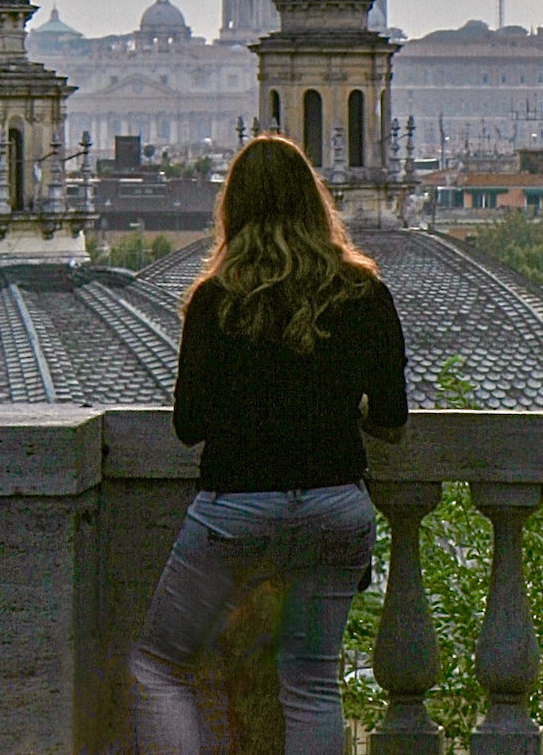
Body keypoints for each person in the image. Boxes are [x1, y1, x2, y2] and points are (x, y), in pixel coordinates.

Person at [129, 134, 409, 755]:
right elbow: (392, 417)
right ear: (316, 202)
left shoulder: (214, 300)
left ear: (234, 209)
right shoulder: (364, 293)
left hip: (237, 508)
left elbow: (188, 425)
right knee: (311, 683)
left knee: (161, 666)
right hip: (336, 505)